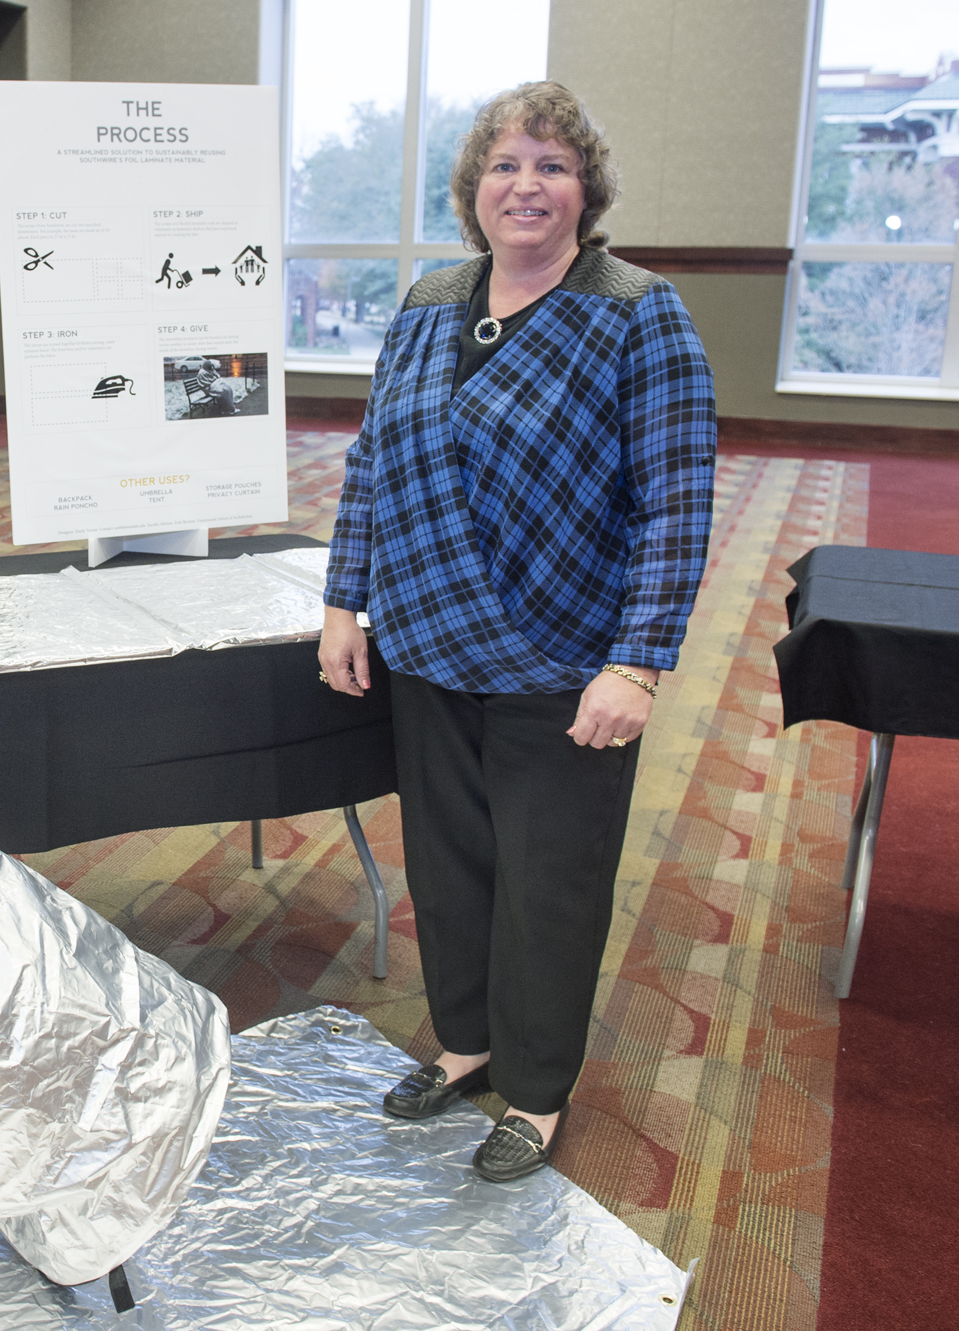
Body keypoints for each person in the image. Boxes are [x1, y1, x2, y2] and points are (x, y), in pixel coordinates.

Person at [317, 82, 715, 1183]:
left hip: (563, 659)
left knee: (549, 882)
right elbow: (371, 465)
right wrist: (342, 600)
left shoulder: (635, 311)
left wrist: (635, 659)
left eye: (549, 165)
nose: (524, 186)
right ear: (472, 190)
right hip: (427, 642)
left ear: (583, 190)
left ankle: (534, 1092)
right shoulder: (428, 299)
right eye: (502, 166)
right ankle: (465, 1040)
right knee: (447, 867)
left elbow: (673, 500)